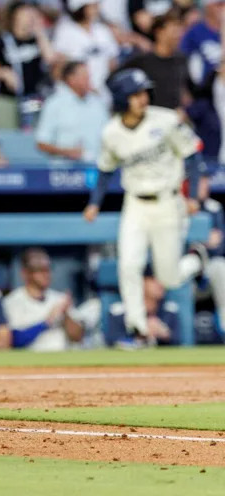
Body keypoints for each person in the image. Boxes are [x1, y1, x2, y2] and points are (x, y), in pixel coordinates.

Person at [83, 69, 202, 345]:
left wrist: (193, 195)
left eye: (144, 93)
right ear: (123, 99)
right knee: (129, 265)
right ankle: (137, 328)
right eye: (136, 94)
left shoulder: (167, 120)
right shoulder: (111, 132)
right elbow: (105, 170)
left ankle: (197, 259)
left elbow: (192, 156)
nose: (143, 98)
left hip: (168, 202)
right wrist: (94, 204)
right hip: (135, 203)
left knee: (169, 278)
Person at [2, 248, 84, 351]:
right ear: (25, 273)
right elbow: (15, 340)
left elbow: (77, 336)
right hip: (31, 361)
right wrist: (47, 322)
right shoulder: (13, 301)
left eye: (48, 269)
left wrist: (65, 314)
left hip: (62, 358)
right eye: (40, 270)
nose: (46, 274)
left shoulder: (59, 299)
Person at [34, 61, 109, 162]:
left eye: (89, 77)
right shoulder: (54, 104)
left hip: (96, 169)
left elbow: (110, 136)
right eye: (84, 77)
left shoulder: (98, 103)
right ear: (71, 79)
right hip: (64, 172)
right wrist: (66, 152)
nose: (89, 80)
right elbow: (41, 143)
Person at [52, 0, 120, 92]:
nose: (97, 9)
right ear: (81, 8)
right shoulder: (65, 31)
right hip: (74, 92)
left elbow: (112, 62)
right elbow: (58, 68)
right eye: (92, 6)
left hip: (101, 90)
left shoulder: (102, 30)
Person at [120, 10, 187, 109]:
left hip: (174, 118)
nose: (178, 35)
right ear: (159, 32)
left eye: (179, 31)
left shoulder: (181, 60)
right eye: (173, 30)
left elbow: (189, 91)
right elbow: (116, 81)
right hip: (150, 118)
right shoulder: (142, 61)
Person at [105, 274, 181, 347]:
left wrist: (164, 335)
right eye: (153, 280)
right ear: (141, 282)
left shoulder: (170, 309)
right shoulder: (119, 311)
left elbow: (178, 341)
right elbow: (113, 340)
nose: (160, 284)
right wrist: (141, 335)